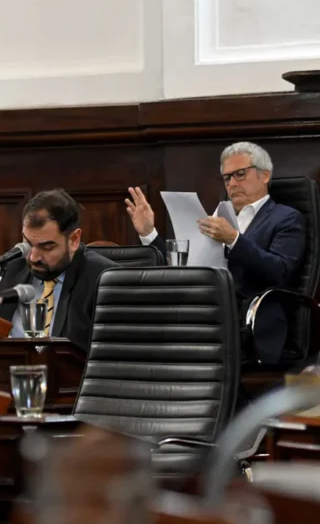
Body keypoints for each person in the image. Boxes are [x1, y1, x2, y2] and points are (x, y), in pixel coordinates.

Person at [126, 141, 306, 365]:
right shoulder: (218, 216)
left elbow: (279, 271)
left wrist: (233, 239)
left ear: (265, 175)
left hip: (248, 320)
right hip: (203, 312)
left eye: (240, 174)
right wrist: (149, 234)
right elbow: (183, 268)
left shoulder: (286, 218)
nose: (232, 184)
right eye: (227, 178)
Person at [0, 189, 118, 352]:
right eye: (29, 244)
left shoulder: (104, 279)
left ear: (74, 239)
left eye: (47, 246)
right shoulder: (6, 272)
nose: (34, 257)